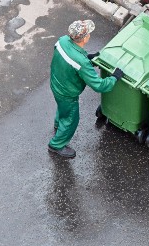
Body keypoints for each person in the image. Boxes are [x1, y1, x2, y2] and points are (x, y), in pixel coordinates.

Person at [48, 20, 124, 159]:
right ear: (84, 38)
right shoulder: (81, 63)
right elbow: (99, 85)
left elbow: (69, 59)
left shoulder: (62, 41)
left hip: (56, 83)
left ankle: (58, 125)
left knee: (62, 108)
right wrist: (114, 77)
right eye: (88, 33)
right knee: (71, 119)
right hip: (67, 93)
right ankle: (56, 145)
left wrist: (88, 58)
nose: (90, 35)